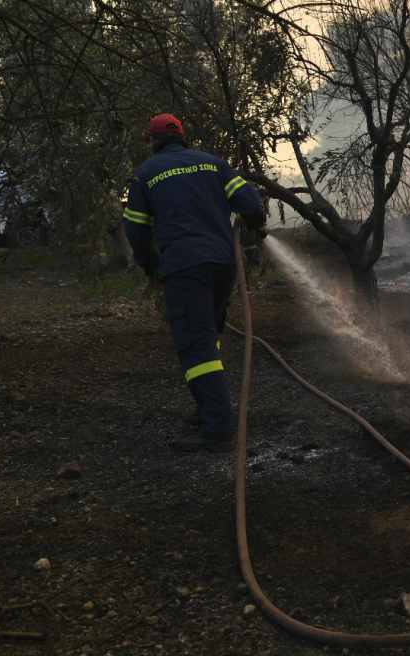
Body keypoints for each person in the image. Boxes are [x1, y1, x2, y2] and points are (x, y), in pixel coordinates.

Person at [123, 113, 267, 453]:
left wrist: (150, 266)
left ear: (152, 141)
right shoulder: (214, 164)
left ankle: (217, 431)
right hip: (223, 265)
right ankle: (206, 409)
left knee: (196, 346)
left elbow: (136, 230)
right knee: (206, 337)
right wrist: (256, 223)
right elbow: (250, 203)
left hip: (185, 267)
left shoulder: (145, 174)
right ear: (182, 137)